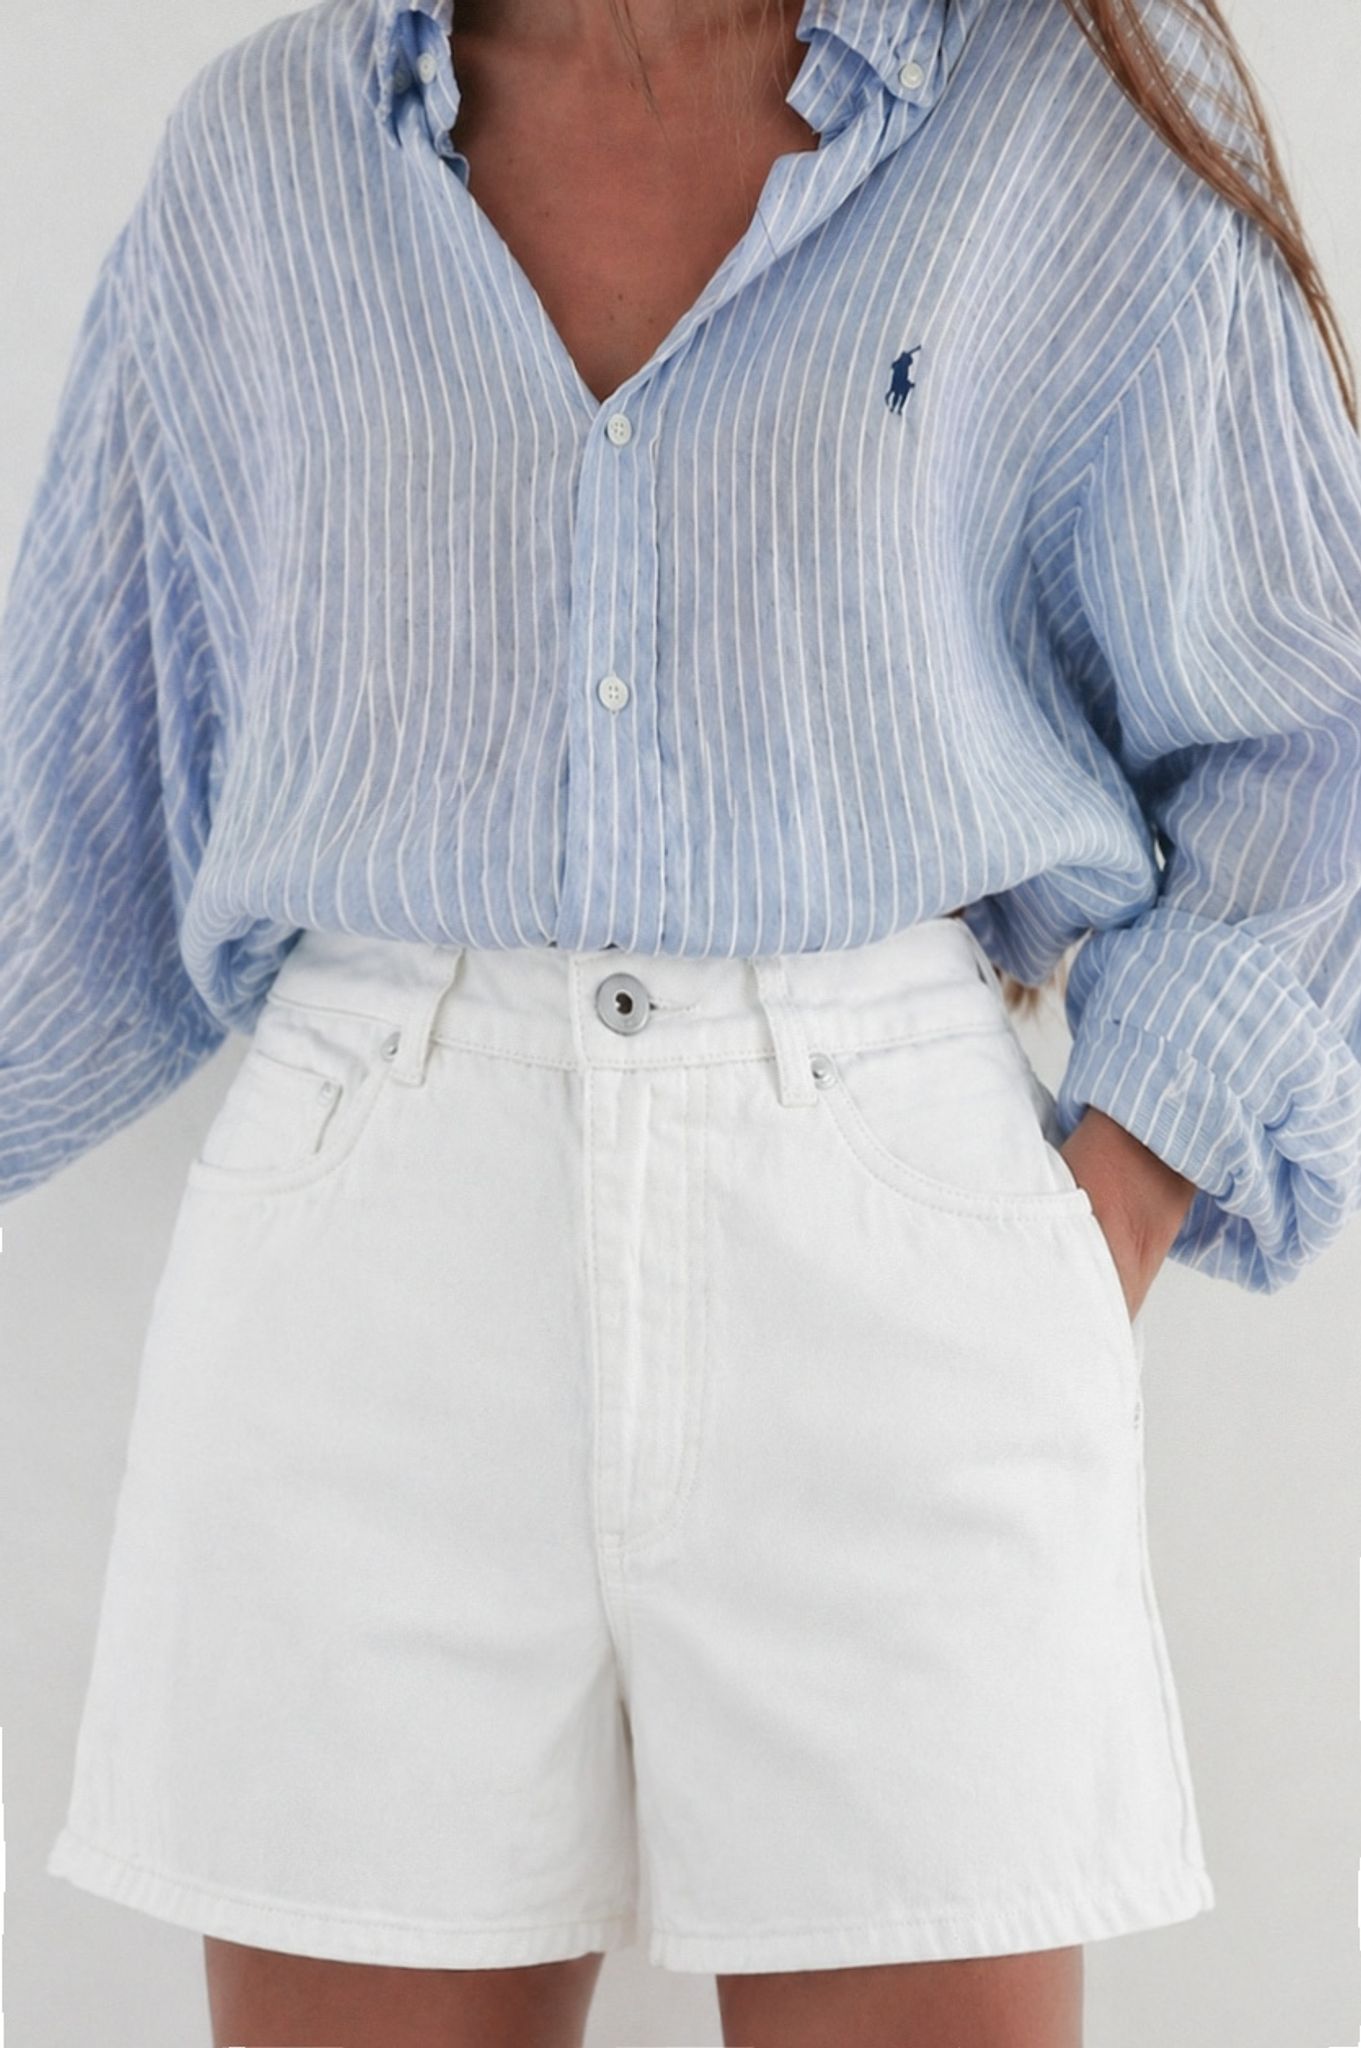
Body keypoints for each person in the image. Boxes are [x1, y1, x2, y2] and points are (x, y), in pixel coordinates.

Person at [3, 0, 1359, 2041]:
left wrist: (1100, 1220)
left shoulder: (1067, 110)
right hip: (365, 1266)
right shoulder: (267, 151)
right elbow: (74, 805)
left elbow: (1312, 726)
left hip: (893, 1247)